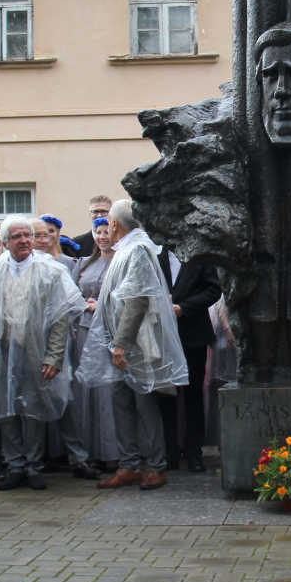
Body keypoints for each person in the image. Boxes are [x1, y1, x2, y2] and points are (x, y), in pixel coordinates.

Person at [0, 215, 85, 491]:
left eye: (27, 235)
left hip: (36, 351)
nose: (24, 241)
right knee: (5, 408)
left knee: (33, 409)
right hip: (2, 351)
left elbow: (59, 317)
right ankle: (15, 465)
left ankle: (32, 466)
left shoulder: (50, 271)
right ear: (5, 241)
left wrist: (54, 356)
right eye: (17, 236)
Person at [78, 199, 188, 490]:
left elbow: (137, 299)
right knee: (121, 402)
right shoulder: (127, 248)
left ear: (114, 223)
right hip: (122, 342)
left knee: (144, 404)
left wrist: (121, 344)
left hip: (136, 344)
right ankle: (129, 465)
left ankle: (156, 467)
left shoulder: (137, 249)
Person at [157, 247, 222, 471]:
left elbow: (213, 289)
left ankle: (194, 452)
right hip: (162, 335)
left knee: (194, 393)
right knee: (166, 394)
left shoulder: (199, 254)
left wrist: (184, 308)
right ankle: (170, 452)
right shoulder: (154, 254)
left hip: (193, 333)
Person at [71, 217, 118, 465]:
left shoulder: (121, 262)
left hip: (110, 330)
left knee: (108, 390)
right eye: (98, 232)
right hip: (86, 331)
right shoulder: (84, 263)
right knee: (86, 391)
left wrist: (101, 305)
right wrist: (83, 304)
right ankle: (88, 451)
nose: (102, 236)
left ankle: (113, 452)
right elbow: (73, 293)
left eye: (106, 232)